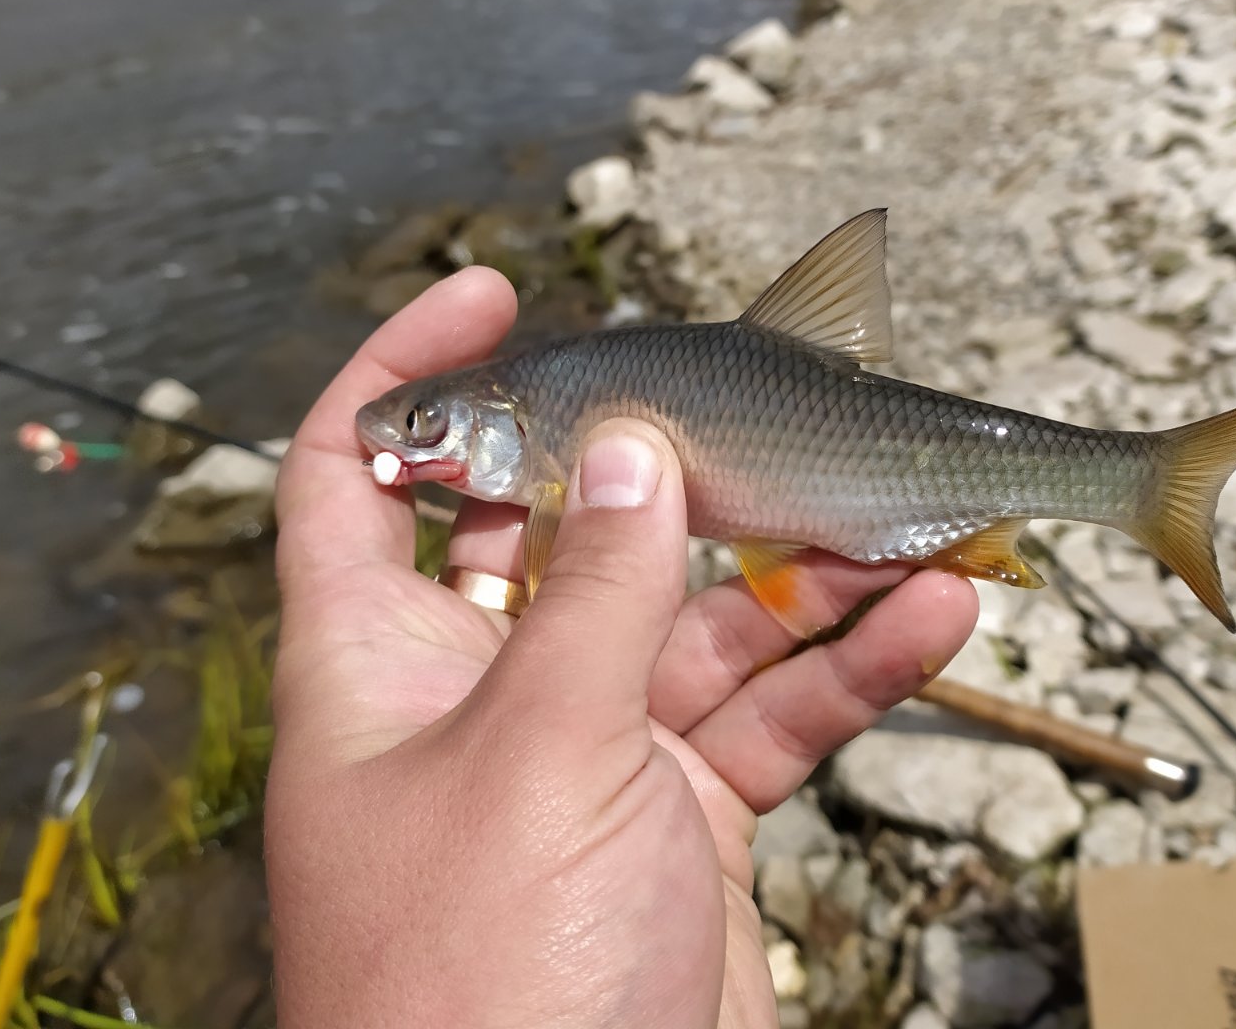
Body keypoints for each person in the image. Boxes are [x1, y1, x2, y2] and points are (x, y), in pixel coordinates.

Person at [264, 266, 980, 1027]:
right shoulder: (544, 402)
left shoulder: (551, 446)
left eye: (423, 426)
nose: (407, 440)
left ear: (508, 420)